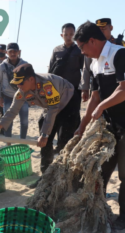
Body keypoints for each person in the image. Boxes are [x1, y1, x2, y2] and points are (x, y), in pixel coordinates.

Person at [74, 21, 125, 230]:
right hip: (113, 121)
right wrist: (83, 124)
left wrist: (102, 107)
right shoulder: (94, 62)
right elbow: (95, 97)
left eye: (82, 47)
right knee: (102, 166)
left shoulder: (120, 54)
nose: (82, 52)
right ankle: (97, 206)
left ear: (92, 41)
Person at [0, 64, 76, 187]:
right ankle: (46, 177)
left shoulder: (47, 84)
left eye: (20, 83)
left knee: (65, 139)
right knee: (44, 136)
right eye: (16, 83)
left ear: (31, 79)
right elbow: (12, 110)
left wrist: (45, 134)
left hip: (68, 100)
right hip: (51, 105)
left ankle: (67, 178)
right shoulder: (22, 91)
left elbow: (53, 109)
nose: (18, 86)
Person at [48, 23, 84, 152]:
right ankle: (60, 146)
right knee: (58, 117)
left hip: (74, 89)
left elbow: (85, 70)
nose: (69, 37)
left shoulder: (80, 50)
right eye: (66, 34)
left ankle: (69, 145)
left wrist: (86, 88)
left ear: (75, 35)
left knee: (72, 117)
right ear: (61, 35)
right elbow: (50, 70)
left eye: (71, 34)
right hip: (58, 90)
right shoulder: (56, 50)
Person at [81, 18, 125, 102]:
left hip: (117, 87)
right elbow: (86, 68)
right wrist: (84, 88)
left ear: (111, 28)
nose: (101, 32)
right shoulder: (91, 45)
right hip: (98, 88)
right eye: (98, 30)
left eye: (103, 29)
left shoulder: (121, 45)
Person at [0, 43, 28, 142]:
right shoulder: (2, 66)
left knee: (24, 122)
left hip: (23, 98)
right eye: (10, 52)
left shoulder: (25, 65)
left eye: (15, 51)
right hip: (7, 98)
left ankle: (23, 143)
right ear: (6, 52)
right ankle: (8, 143)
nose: (13, 54)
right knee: (7, 123)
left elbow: (31, 80)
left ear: (19, 52)